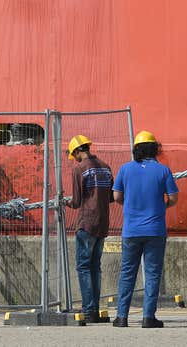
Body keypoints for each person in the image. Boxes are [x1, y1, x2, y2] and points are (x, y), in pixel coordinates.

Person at [112, 130, 179, 328]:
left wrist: (131, 206)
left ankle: (121, 317)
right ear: (155, 149)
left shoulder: (125, 169)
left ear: (136, 149)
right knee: (152, 273)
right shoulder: (163, 171)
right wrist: (161, 207)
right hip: (155, 230)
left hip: (131, 230)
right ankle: (148, 318)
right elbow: (173, 198)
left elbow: (116, 196)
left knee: (127, 273)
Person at [65, 134, 113, 323]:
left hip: (86, 223)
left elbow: (76, 202)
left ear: (77, 151)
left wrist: (66, 202)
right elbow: (110, 197)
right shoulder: (106, 167)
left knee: (83, 267)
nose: (74, 158)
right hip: (103, 223)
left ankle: (89, 309)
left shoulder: (80, 169)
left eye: (73, 154)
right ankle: (95, 309)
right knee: (95, 267)